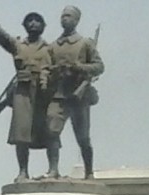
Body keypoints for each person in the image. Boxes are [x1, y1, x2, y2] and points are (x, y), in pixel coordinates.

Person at [0, 0, 52, 182]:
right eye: (29, 20)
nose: (33, 23)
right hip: (22, 92)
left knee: (49, 131)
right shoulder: (18, 45)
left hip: (43, 92)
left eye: (37, 20)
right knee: (21, 134)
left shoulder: (50, 49)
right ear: (24, 25)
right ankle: (23, 171)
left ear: (43, 26)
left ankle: (53, 169)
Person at [45, 5, 104, 179]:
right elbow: (46, 68)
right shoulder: (53, 46)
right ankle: (53, 169)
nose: (65, 19)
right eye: (63, 16)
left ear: (77, 20)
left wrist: (80, 67)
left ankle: (89, 172)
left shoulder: (85, 43)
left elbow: (99, 66)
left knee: (83, 137)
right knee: (51, 131)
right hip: (58, 95)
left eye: (69, 16)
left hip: (79, 95)